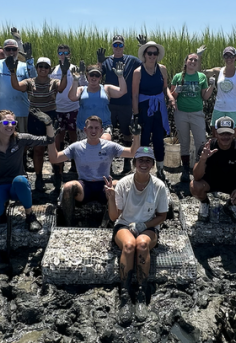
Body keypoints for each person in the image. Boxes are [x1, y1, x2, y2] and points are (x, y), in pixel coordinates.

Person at [106, 146, 169, 324]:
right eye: (140, 160)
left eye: (148, 161)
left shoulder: (159, 186)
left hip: (149, 226)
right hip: (124, 224)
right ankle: (125, 294)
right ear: (134, 163)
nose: (144, 163)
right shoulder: (124, 184)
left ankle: (142, 292)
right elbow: (114, 216)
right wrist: (111, 198)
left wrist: (143, 225)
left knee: (142, 244)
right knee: (129, 245)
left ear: (152, 164)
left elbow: (162, 216)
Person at [47, 115, 142, 227]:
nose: (93, 130)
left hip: (104, 185)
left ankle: (109, 223)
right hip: (84, 186)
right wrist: (51, 137)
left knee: (118, 184)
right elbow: (54, 158)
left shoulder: (110, 146)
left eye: (96, 128)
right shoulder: (76, 147)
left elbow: (133, 153)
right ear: (85, 130)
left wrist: (136, 136)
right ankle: (69, 225)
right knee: (68, 187)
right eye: (91, 127)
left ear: (101, 131)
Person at [0, 109, 54, 232]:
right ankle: (2, 207)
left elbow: (48, 140)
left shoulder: (20, 139)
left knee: (20, 180)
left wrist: (48, 123)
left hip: (17, 185)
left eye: (13, 123)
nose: (10, 126)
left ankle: (30, 215)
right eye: (5, 123)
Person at [9, 55, 69, 192]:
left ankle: (58, 175)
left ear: (50, 69)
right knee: (38, 150)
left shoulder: (54, 82)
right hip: (35, 118)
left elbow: (62, 88)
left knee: (55, 148)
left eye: (46, 67)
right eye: (40, 66)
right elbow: (16, 86)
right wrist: (12, 72)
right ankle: (39, 177)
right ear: (36, 68)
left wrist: (65, 73)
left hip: (52, 117)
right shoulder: (30, 82)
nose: (43, 69)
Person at [190, 116, 236, 225]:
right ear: (215, 133)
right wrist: (203, 159)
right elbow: (196, 177)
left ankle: (231, 205)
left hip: (231, 180)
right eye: (222, 133)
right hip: (210, 180)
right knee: (194, 186)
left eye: (228, 133)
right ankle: (205, 203)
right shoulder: (207, 147)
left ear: (234, 133)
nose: (225, 137)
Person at [170, 50, 215, 183]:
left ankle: (198, 168)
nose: (193, 62)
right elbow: (172, 97)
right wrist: (176, 91)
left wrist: (212, 85)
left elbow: (205, 96)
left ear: (198, 63)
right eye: (190, 60)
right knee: (184, 143)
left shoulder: (201, 77)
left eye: (195, 60)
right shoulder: (178, 77)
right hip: (181, 114)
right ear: (186, 62)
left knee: (201, 142)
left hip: (197, 114)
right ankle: (185, 170)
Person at [131, 41, 174, 180]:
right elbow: (135, 95)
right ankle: (142, 169)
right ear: (144, 55)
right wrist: (136, 114)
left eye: (154, 53)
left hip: (159, 109)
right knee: (144, 139)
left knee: (158, 139)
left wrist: (170, 97)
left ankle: (160, 169)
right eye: (149, 53)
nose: (152, 56)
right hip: (144, 108)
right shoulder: (138, 72)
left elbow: (165, 87)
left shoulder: (162, 69)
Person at [98, 35, 141, 174]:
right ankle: (108, 164)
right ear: (112, 46)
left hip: (125, 103)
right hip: (108, 104)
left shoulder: (131, 60)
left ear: (124, 46)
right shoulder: (107, 61)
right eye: (115, 45)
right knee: (107, 134)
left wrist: (142, 47)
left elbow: (146, 65)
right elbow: (96, 76)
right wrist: (100, 63)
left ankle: (127, 162)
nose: (117, 48)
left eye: (120, 45)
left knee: (126, 132)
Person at [0, 29, 36, 130]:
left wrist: (30, 60)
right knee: (2, 143)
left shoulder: (24, 65)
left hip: (21, 112)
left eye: (14, 49)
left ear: (18, 50)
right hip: (1, 113)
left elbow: (34, 79)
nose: (11, 52)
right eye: (8, 49)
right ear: (3, 51)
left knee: (22, 142)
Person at [68, 63, 127, 141]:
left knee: (104, 144)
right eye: (92, 75)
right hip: (84, 127)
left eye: (97, 75)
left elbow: (122, 91)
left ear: (100, 77)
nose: (94, 77)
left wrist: (120, 76)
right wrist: (75, 80)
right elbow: (72, 97)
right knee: (86, 151)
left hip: (104, 125)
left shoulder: (106, 88)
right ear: (87, 76)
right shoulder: (81, 89)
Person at [49, 44, 81, 184]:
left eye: (66, 52)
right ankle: (59, 165)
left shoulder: (75, 69)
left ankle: (75, 162)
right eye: (60, 52)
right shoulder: (53, 70)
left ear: (70, 54)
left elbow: (83, 84)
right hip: (58, 109)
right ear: (57, 54)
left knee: (74, 136)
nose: (63, 54)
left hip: (74, 108)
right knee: (59, 137)